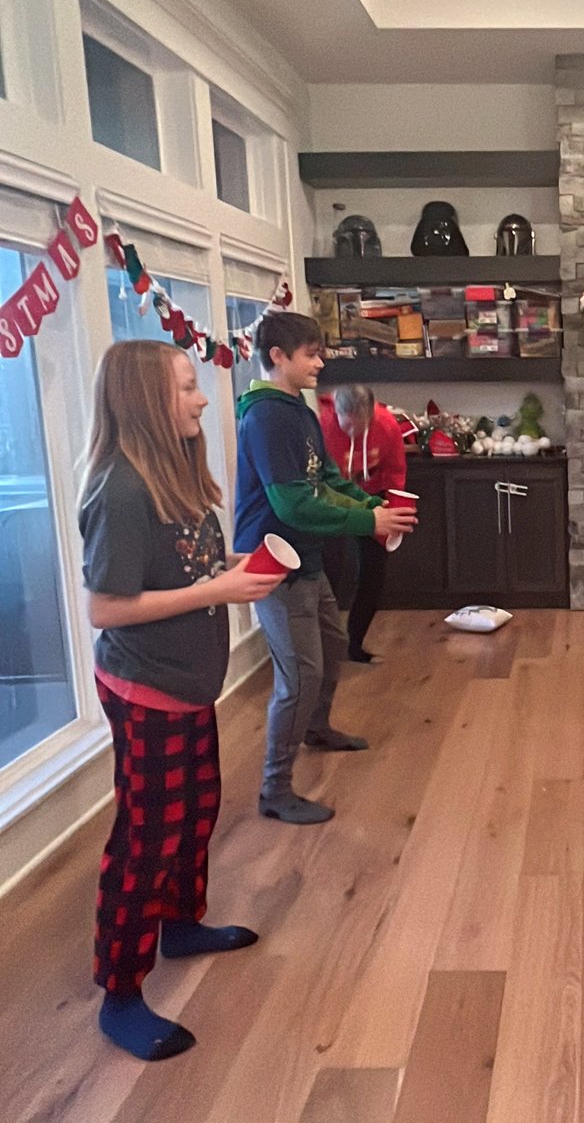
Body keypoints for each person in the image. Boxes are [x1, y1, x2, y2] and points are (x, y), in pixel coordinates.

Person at [80, 341, 285, 1061]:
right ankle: (120, 991)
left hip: (189, 682)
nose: (202, 400)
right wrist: (217, 591)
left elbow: (190, 567)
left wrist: (239, 569)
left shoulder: (176, 476)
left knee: (197, 808)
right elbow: (106, 606)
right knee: (146, 835)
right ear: (145, 401)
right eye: (188, 388)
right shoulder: (121, 491)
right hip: (146, 687)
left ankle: (179, 922)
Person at [234, 312, 415, 825]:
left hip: (306, 554)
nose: (320, 363)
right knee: (300, 673)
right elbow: (294, 505)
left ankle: (317, 727)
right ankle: (275, 787)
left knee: (332, 647)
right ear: (278, 357)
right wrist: (367, 518)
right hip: (274, 562)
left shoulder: (300, 408)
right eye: (311, 354)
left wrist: (376, 507)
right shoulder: (265, 417)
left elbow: (327, 479)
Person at [318, 385, 409, 663]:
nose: (355, 432)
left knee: (373, 575)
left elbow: (395, 473)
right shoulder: (321, 425)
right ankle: (324, 650)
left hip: (373, 498)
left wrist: (394, 512)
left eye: (363, 425)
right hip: (332, 500)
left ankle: (355, 647)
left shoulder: (387, 424)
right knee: (330, 573)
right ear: (337, 413)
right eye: (348, 426)